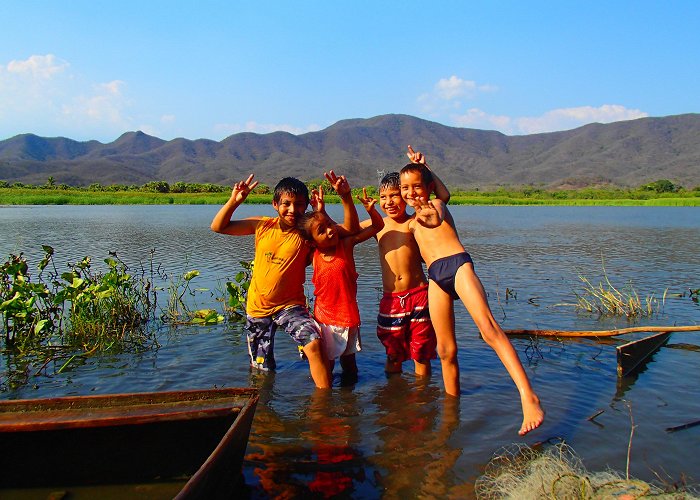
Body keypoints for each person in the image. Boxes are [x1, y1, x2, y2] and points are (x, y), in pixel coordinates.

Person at [399, 161, 545, 435]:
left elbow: (440, 208)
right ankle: (451, 408)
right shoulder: (410, 223)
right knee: (445, 350)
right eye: (405, 188)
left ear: (428, 187)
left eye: (417, 186)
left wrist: (426, 174)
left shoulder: (436, 207)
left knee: (489, 330)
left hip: (457, 267)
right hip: (435, 278)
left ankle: (529, 396)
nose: (411, 192)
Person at [210, 173, 343, 389]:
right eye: (286, 204)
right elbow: (219, 227)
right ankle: (263, 409)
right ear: (275, 204)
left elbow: (339, 234)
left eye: (299, 205)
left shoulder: (307, 234)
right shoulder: (263, 226)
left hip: (290, 306)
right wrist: (234, 201)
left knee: (314, 343)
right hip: (258, 308)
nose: (292, 210)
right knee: (262, 368)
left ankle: (323, 404)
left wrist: (321, 213)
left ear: (306, 205)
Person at [361, 146, 450, 378]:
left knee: (421, 354)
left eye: (394, 196)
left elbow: (443, 197)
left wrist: (424, 168)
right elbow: (345, 231)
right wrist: (338, 202)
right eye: (383, 197)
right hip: (391, 301)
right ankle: (394, 400)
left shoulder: (414, 222)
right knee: (393, 354)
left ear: (406, 197)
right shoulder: (377, 225)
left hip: (419, 295)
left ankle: (422, 402)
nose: (389, 202)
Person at [298, 184, 384, 381]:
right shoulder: (313, 254)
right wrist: (318, 212)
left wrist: (371, 211)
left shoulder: (345, 245)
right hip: (324, 319)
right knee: (326, 367)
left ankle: (349, 402)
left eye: (330, 225)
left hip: (348, 317)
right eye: (323, 230)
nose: (331, 230)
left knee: (350, 366)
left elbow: (378, 227)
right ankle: (325, 404)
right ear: (312, 242)